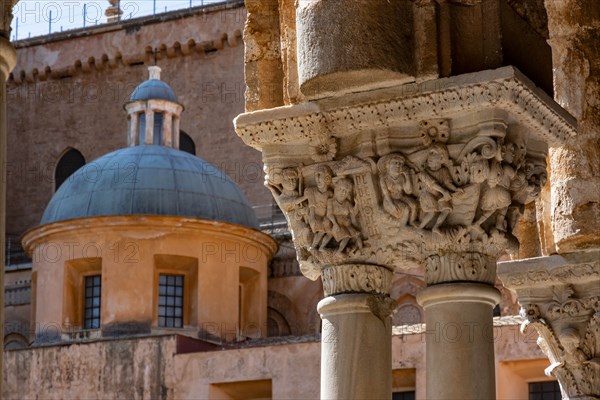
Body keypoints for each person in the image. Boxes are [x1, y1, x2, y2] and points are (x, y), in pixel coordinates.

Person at [378, 153, 418, 226]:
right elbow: (386, 193)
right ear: (388, 165)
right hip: (389, 200)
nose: (398, 165)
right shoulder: (384, 178)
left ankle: (412, 221)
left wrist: (407, 175)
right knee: (405, 209)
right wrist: (391, 204)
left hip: (401, 197)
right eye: (395, 163)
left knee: (414, 205)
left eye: (400, 164)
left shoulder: (401, 177)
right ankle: (403, 226)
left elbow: (408, 191)